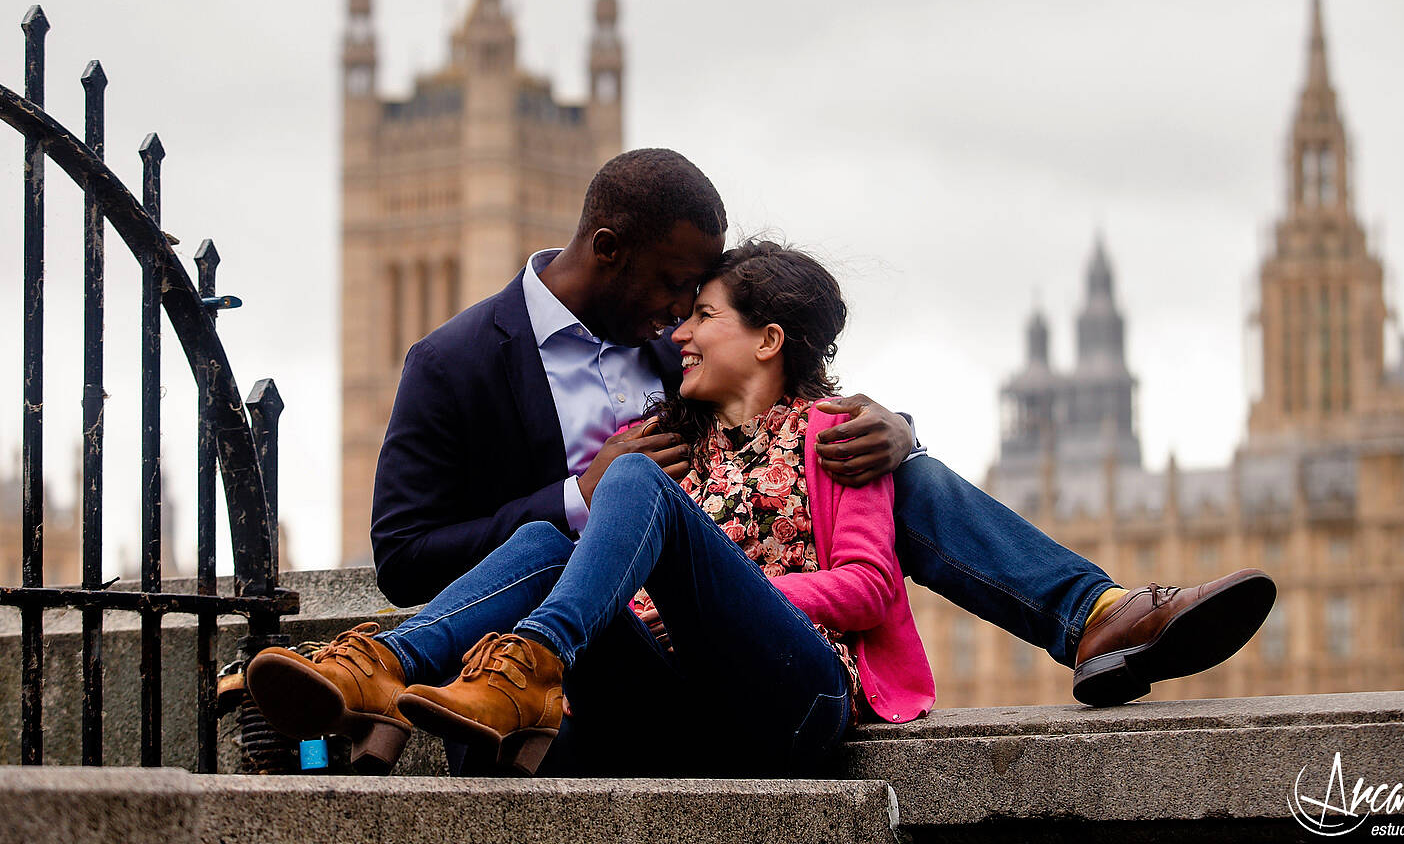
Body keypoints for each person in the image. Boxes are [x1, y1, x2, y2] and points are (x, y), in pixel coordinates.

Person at [248, 148, 1275, 771]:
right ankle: (388, 663)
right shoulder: (456, 365)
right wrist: (575, 498)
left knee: (887, 465)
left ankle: (1090, 616)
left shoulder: (680, 352)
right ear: (608, 249)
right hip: (599, 679)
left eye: (698, 300)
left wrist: (899, 428)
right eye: (675, 286)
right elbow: (407, 552)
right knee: (551, 528)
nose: (682, 312)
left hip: (722, 653)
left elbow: (800, 405)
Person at [250, 241, 934, 776]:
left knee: (628, 480)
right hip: (685, 709)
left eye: (701, 315)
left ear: (769, 339)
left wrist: (709, 598)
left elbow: (872, 586)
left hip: (792, 699)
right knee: (549, 543)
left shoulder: (837, 435)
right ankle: (386, 663)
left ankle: (531, 656)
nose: (676, 331)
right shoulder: (664, 434)